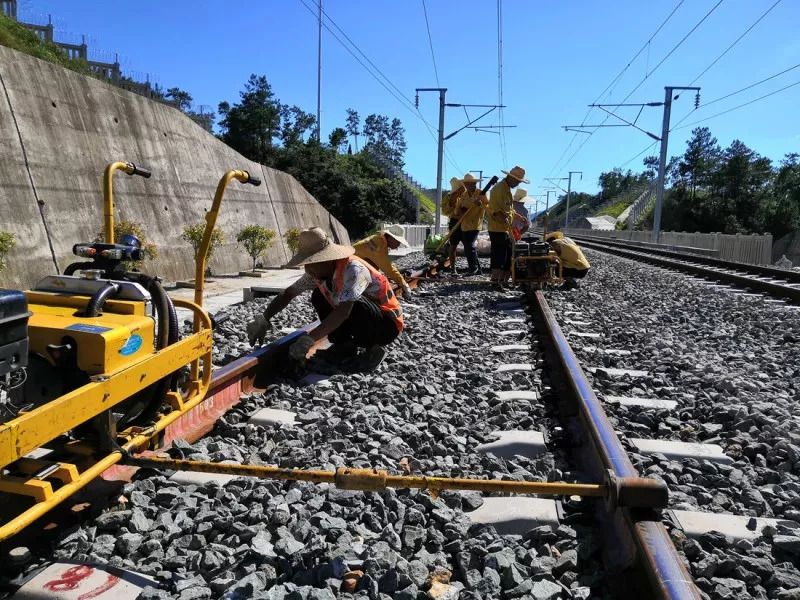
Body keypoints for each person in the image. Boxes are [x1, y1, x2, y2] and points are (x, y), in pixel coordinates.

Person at [246, 227, 404, 372]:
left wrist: (309, 339)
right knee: (318, 295)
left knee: (353, 303)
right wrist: (265, 318)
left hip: (386, 326)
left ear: (328, 259)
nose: (309, 269)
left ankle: (373, 349)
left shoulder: (354, 269)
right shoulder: (317, 273)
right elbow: (289, 293)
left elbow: (343, 311)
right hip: (366, 318)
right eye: (307, 264)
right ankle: (343, 345)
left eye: (313, 263)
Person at [488, 165, 528, 286]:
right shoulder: (499, 189)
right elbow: (496, 210)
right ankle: (496, 280)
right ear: (511, 178)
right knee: (500, 254)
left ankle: (504, 280)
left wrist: (518, 217)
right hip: (497, 228)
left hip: (504, 228)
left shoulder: (507, 189)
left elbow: (508, 209)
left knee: (508, 253)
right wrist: (505, 220)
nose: (517, 184)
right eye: (517, 181)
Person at [353, 224, 412, 299]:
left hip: (353, 265)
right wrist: (404, 285)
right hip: (351, 268)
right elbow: (389, 269)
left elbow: (385, 263)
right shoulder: (379, 246)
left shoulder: (379, 240)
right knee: (381, 287)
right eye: (398, 241)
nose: (399, 244)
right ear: (391, 238)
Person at [455, 173, 488, 275]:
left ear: (474, 183)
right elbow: (457, 209)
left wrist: (480, 204)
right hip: (465, 224)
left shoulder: (481, 194)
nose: (468, 185)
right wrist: (460, 211)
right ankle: (478, 269)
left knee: (469, 245)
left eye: (470, 183)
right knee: (468, 246)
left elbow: (487, 206)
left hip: (475, 224)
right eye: (466, 184)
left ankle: (472, 268)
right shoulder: (464, 195)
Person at [442, 177, 465, 272]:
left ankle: (474, 267)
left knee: (469, 246)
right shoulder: (449, 197)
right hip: (454, 222)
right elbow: (445, 211)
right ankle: (453, 268)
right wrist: (452, 203)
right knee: (453, 246)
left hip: (466, 222)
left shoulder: (466, 195)